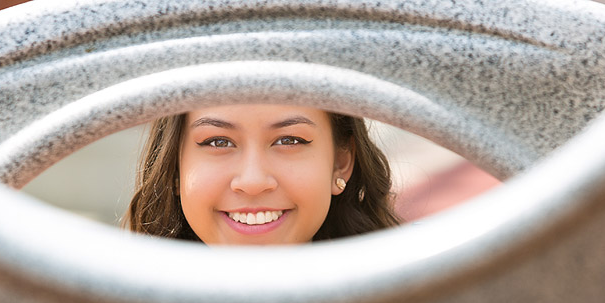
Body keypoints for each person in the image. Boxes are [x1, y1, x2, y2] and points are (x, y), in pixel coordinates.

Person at [122, 104, 401, 245]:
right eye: (218, 142)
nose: (253, 182)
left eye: (289, 140)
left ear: (341, 161)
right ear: (174, 166)